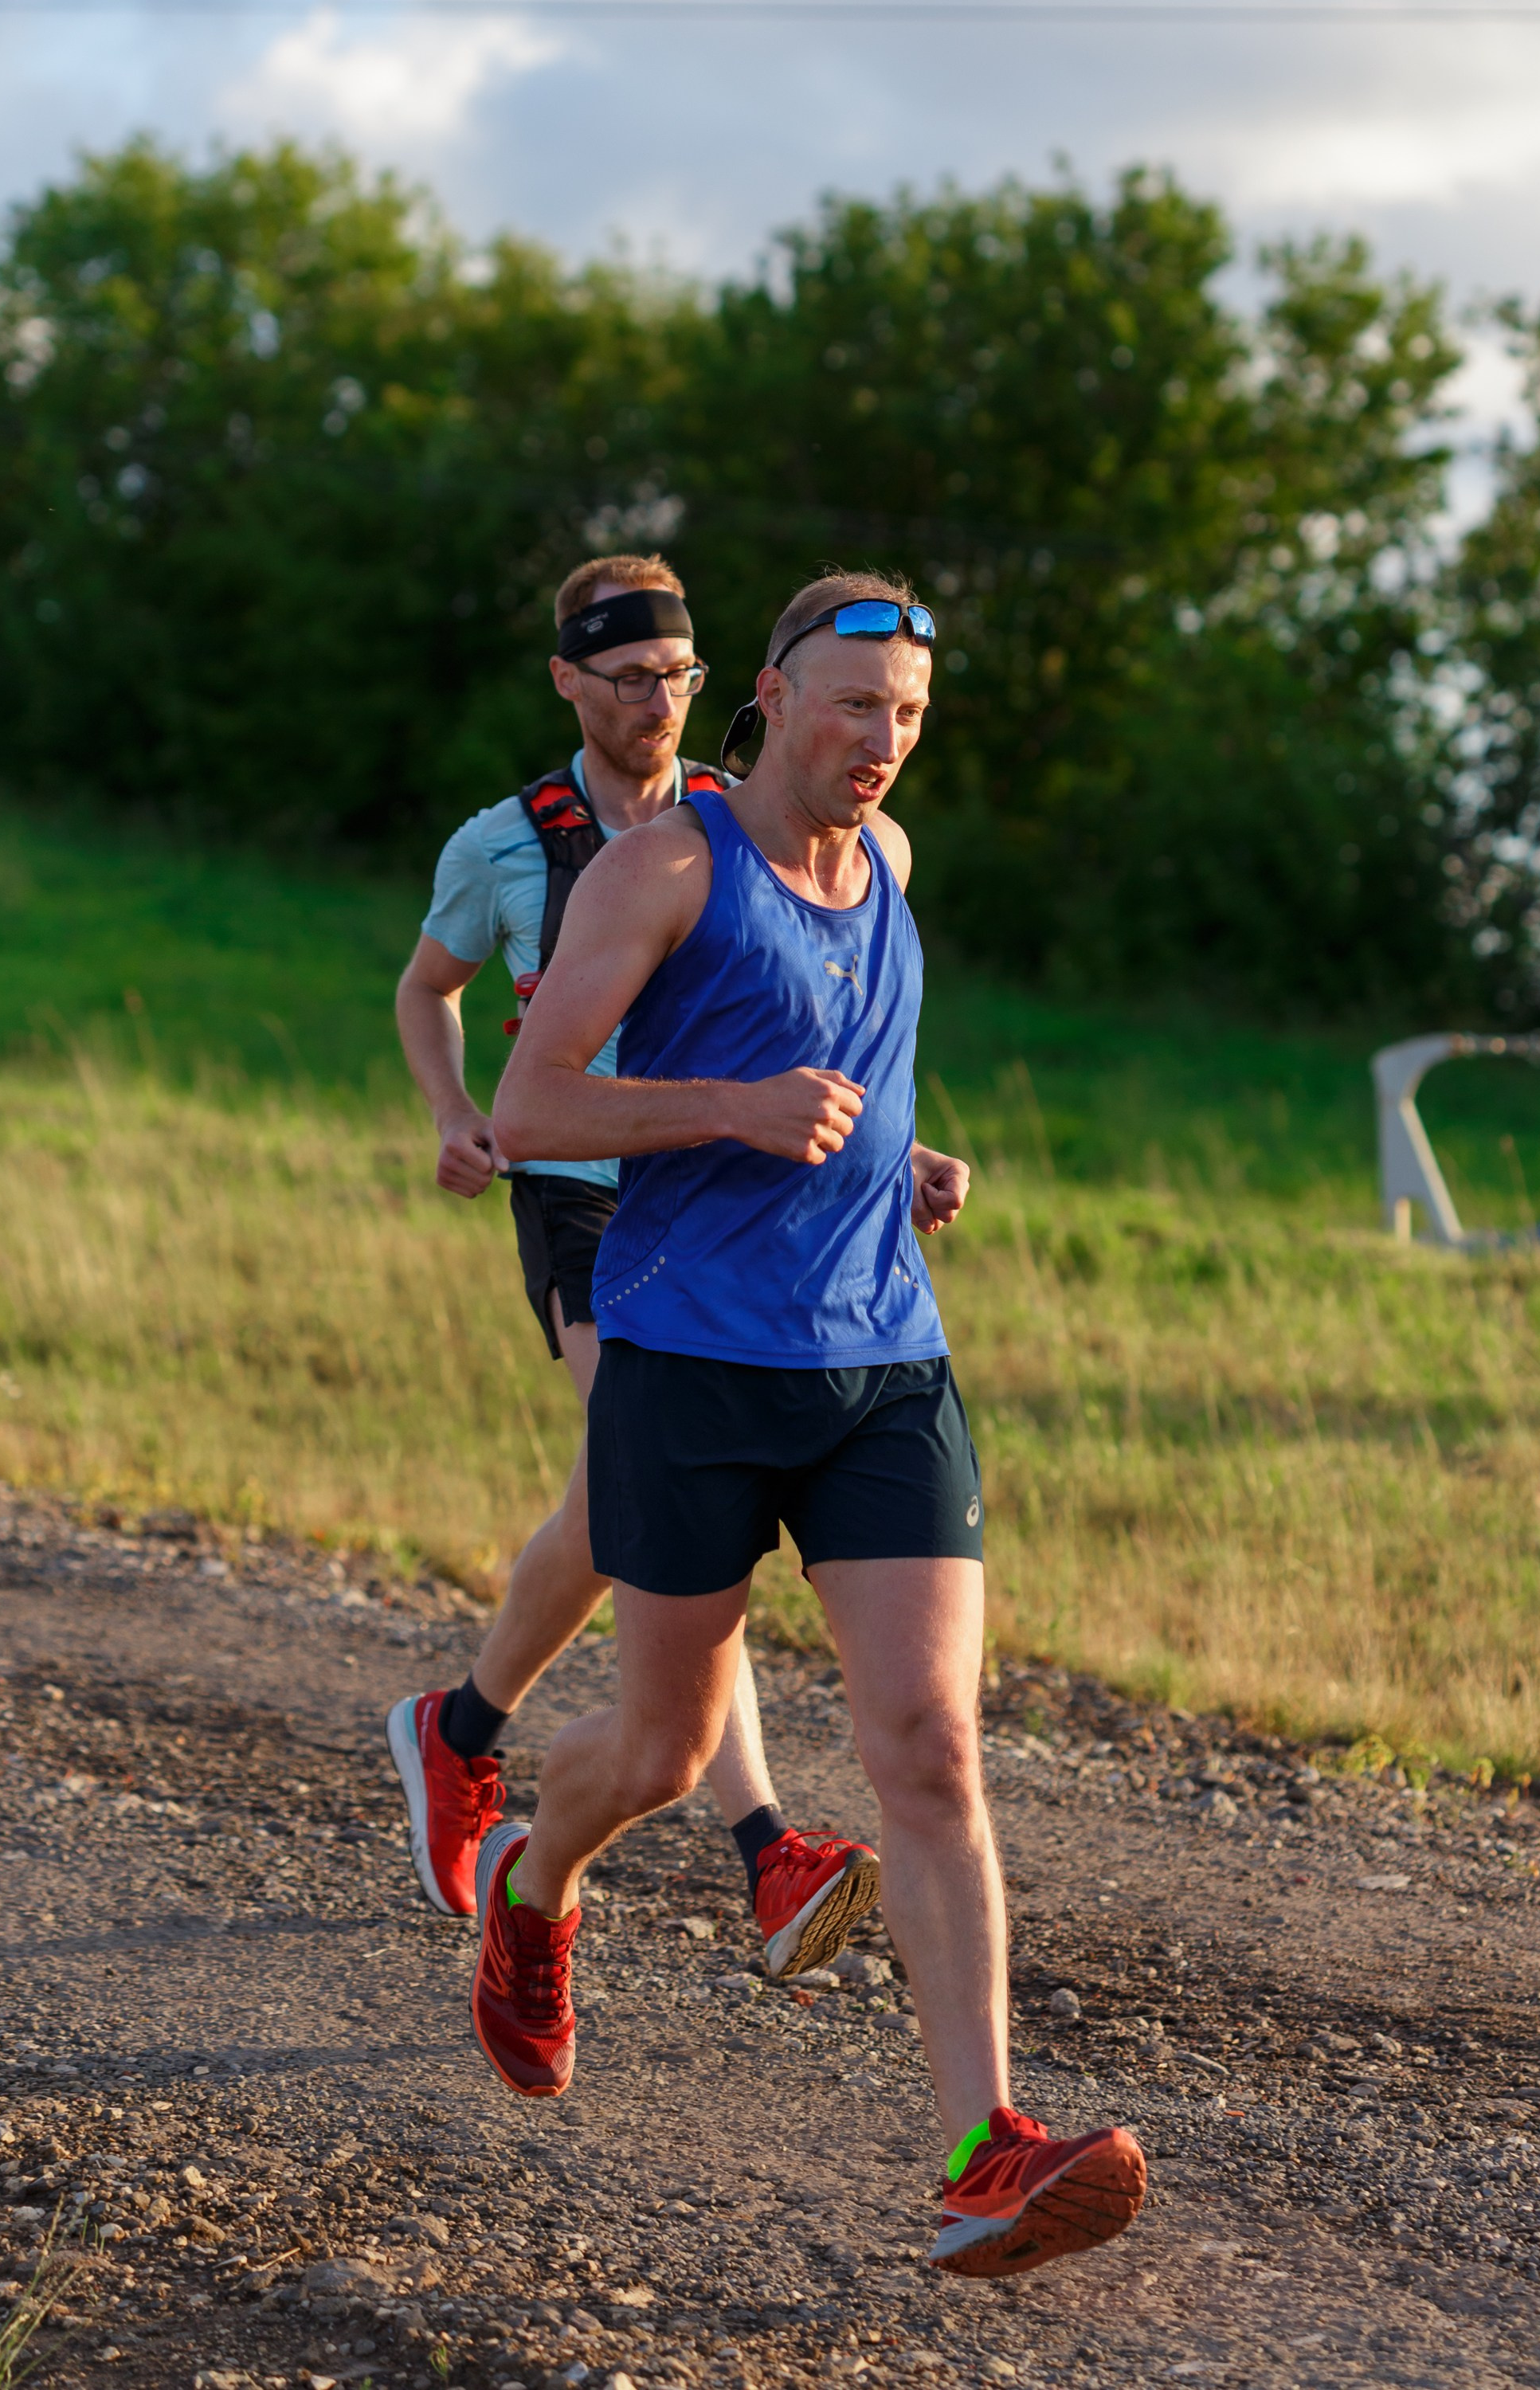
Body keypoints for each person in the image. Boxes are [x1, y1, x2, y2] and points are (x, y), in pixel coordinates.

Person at [473, 570, 1147, 2279]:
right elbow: (531, 1098)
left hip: (879, 1370)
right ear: (768, 697)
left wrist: (888, 1160)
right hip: (692, 1366)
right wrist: (735, 1111)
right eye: (853, 705)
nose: (881, 742)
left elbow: (853, 1063)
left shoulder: (895, 869)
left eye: (908, 715)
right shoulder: (666, 867)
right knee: (658, 1756)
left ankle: (983, 2150)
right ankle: (529, 1888)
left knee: (927, 1747)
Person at [386, 551, 880, 1981]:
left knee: (623, 1504)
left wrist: (878, 1152)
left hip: (718, 1194)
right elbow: (430, 991)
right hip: (582, 1195)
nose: (659, 705)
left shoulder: (744, 827)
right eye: (627, 679)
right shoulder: (507, 845)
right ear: (567, 681)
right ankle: (770, 1848)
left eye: (679, 677)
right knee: (653, 1486)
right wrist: (455, 1114)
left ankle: (461, 1729)